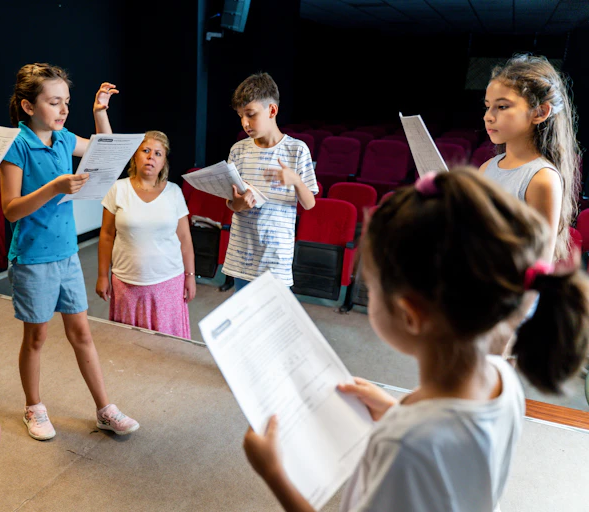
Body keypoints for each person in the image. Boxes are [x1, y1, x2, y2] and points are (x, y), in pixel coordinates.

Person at [243, 169, 589, 511]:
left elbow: (424, 448)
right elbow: (454, 453)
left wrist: (274, 473)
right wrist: (395, 411)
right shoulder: (502, 377)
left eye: (372, 285)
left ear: (409, 313)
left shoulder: (403, 446)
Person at [0, 63, 138, 441]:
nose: (62, 111)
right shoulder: (16, 145)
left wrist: (99, 113)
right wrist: (56, 187)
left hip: (67, 254)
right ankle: (34, 406)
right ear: (28, 107)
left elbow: (106, 153)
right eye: (53, 103)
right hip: (32, 258)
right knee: (37, 338)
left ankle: (105, 409)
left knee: (82, 334)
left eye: (67, 103)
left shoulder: (63, 139)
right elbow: (10, 209)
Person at [221, 72, 317, 291]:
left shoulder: (296, 150)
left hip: (275, 260)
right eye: (240, 116)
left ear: (272, 110)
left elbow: (310, 203)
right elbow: (231, 203)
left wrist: (295, 181)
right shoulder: (239, 150)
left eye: (251, 114)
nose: (244, 122)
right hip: (242, 255)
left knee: (272, 322)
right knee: (244, 322)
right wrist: (239, 204)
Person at [481, 54, 580, 263]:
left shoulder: (541, 178)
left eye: (502, 106)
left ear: (540, 112)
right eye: (487, 106)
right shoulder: (486, 168)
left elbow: (539, 265)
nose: (488, 116)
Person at [96, 130, 195, 338]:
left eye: (158, 153)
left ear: (164, 162)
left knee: (168, 346)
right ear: (135, 155)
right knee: (130, 346)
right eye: (146, 151)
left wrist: (190, 276)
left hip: (168, 282)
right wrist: (102, 275)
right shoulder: (117, 189)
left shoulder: (174, 192)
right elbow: (106, 235)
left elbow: (185, 239)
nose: (151, 157)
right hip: (126, 283)